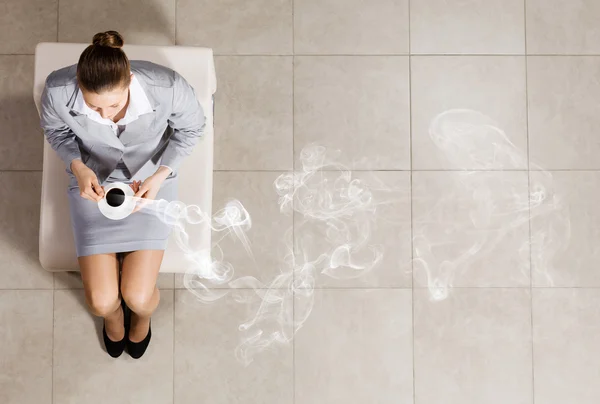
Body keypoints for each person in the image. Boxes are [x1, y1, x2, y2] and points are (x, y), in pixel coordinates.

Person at [40, 30, 205, 359]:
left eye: (114, 105)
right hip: (93, 179)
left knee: (139, 296)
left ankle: (141, 316)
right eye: (93, 107)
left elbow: (192, 128)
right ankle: (114, 317)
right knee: (100, 301)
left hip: (150, 178)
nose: (104, 117)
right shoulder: (58, 91)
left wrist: (161, 175)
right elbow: (56, 131)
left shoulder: (167, 87)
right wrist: (77, 166)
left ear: (129, 80)